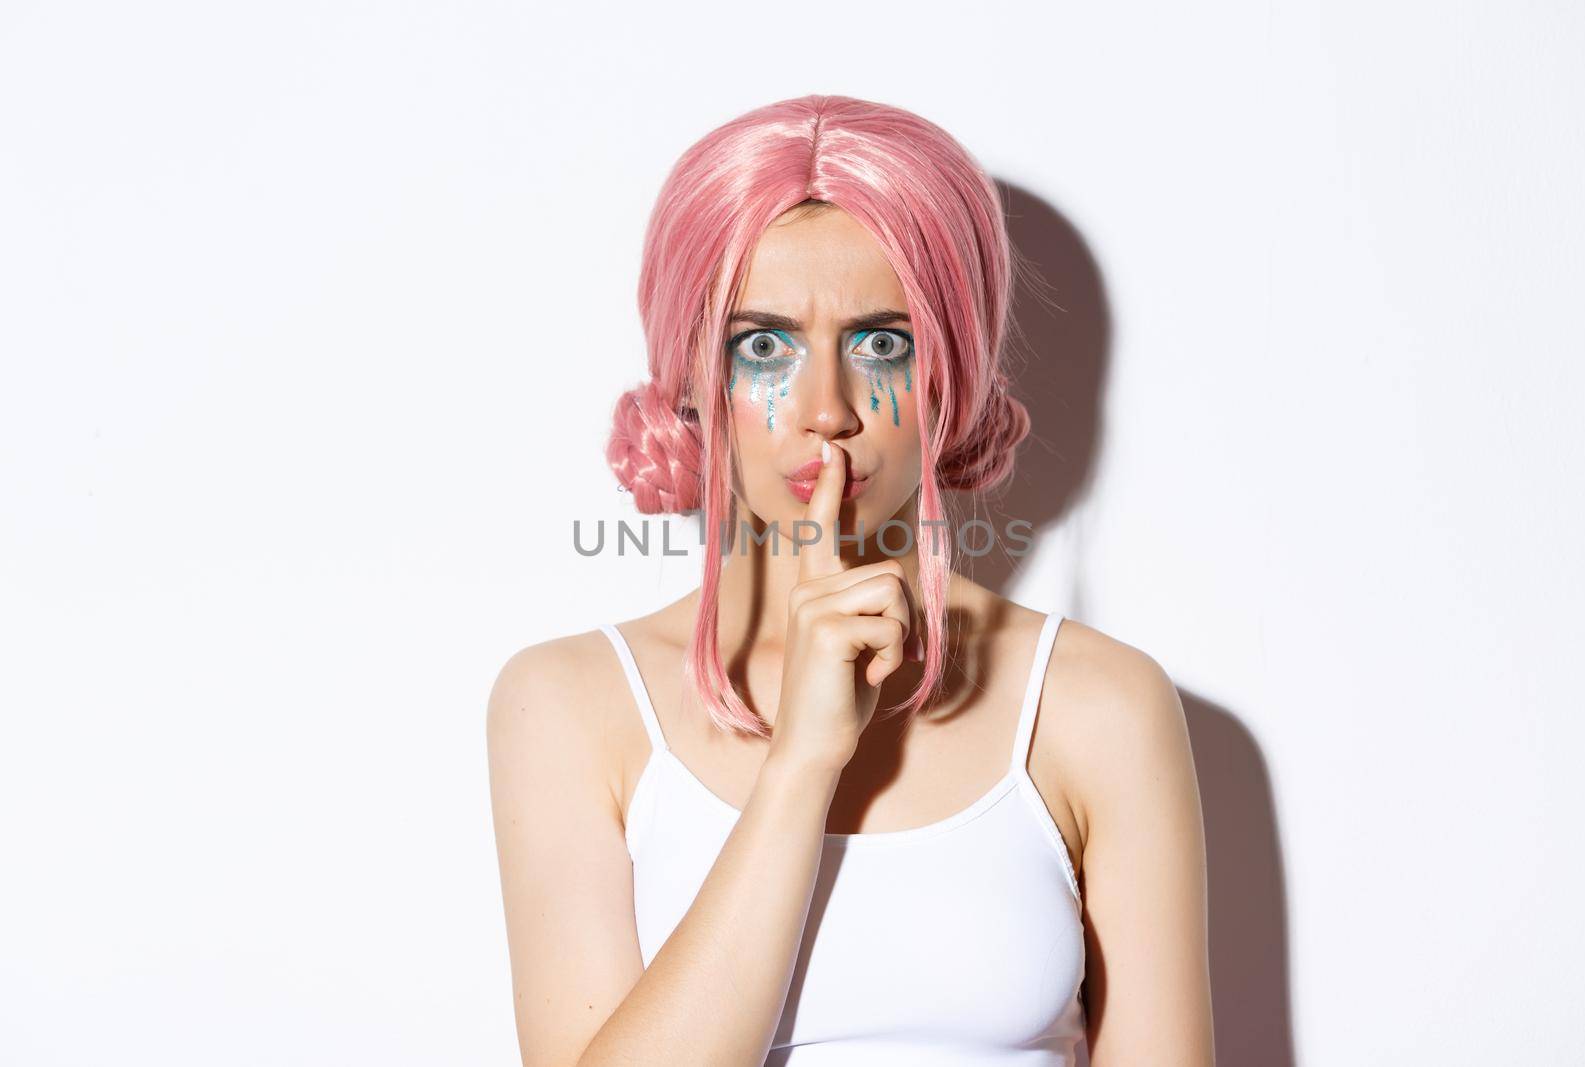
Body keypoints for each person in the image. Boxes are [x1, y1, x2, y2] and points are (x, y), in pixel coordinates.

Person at [487, 94, 1214, 1066]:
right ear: (692, 381)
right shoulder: (571, 703)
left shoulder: (1098, 703)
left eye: (883, 342)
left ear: (952, 370)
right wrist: (801, 763)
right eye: (763, 347)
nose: (826, 409)